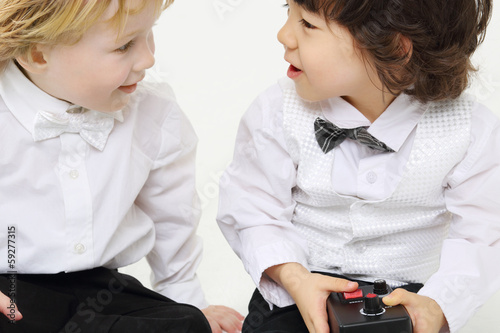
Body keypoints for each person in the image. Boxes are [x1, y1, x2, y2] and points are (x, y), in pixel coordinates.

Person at [216, 0, 500, 332]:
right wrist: (294, 277)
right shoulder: (277, 111)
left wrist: (439, 305)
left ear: (393, 46)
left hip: (411, 299)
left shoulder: (470, 130)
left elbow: (481, 237)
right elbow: (253, 209)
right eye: (287, 12)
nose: (284, 35)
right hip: (299, 292)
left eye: (308, 24)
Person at [0, 1, 243, 332]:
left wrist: (191, 302)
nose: (148, 59)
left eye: (149, 34)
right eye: (125, 45)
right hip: (12, 288)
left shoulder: (154, 115)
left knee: (187, 324)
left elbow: (172, 220)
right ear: (39, 55)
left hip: (105, 290)